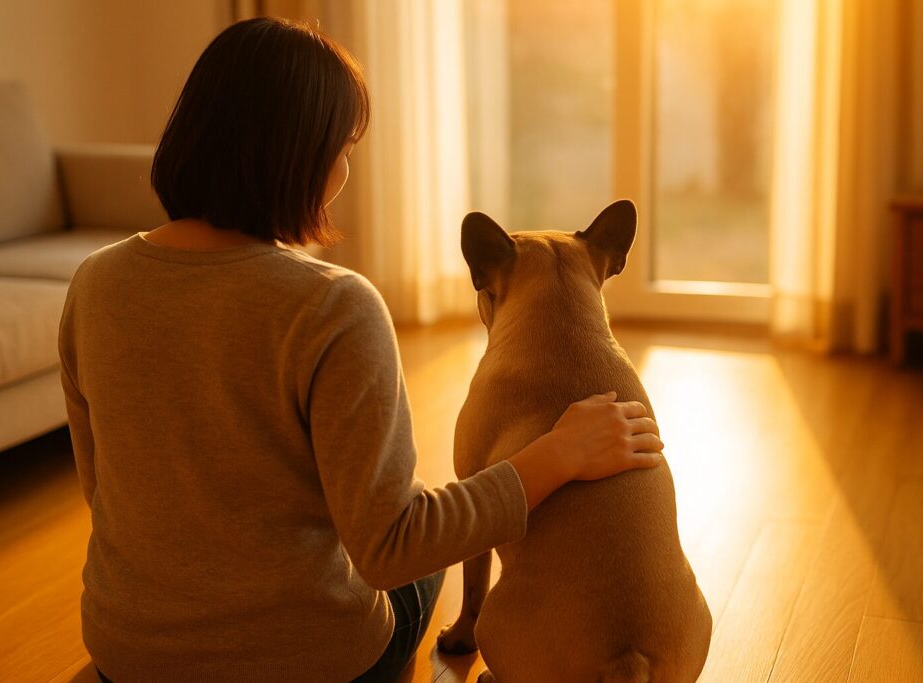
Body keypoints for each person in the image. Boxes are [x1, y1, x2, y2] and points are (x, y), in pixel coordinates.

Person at [57, 17, 665, 683]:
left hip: (127, 653)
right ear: (301, 155)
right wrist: (557, 452)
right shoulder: (332, 305)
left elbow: (103, 488)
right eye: (345, 150)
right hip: (309, 662)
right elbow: (392, 546)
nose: (344, 172)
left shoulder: (93, 283)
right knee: (426, 553)